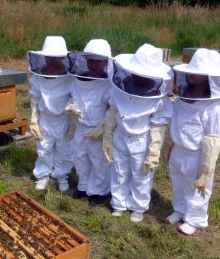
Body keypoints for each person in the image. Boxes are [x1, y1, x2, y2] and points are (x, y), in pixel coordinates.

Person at [162, 48, 220, 235]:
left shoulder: (215, 108)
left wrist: (206, 171)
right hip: (178, 152)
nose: (193, 76)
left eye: (200, 73)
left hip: (197, 157)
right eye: (193, 71)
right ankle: (180, 210)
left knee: (198, 189)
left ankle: (195, 219)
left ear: (211, 78)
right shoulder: (181, 98)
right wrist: (168, 146)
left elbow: (213, 141)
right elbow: (175, 122)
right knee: (178, 184)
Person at [104, 43, 173, 222]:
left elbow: (158, 127)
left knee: (141, 173)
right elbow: (112, 113)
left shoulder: (158, 100)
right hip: (120, 136)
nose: (140, 78)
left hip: (142, 140)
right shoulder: (119, 90)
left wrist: (153, 152)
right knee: (118, 170)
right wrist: (108, 138)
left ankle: (138, 206)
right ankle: (118, 203)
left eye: (145, 76)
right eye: (137, 73)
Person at [65, 39, 113, 207]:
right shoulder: (76, 80)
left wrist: (104, 127)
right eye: (90, 59)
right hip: (80, 128)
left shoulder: (109, 85)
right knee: (79, 159)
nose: (93, 64)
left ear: (106, 62)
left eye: (98, 60)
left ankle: (99, 192)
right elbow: (73, 97)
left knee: (99, 162)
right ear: (84, 59)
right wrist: (70, 108)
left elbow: (113, 109)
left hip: (98, 132)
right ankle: (83, 185)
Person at [27, 36, 73, 191]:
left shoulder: (69, 77)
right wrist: (34, 120)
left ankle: (62, 175)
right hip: (45, 119)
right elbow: (35, 98)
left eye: (56, 57)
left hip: (63, 120)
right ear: (43, 56)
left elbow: (73, 97)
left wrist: (71, 115)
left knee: (64, 149)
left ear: (63, 57)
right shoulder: (38, 76)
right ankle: (42, 175)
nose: (52, 60)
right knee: (44, 148)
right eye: (49, 57)